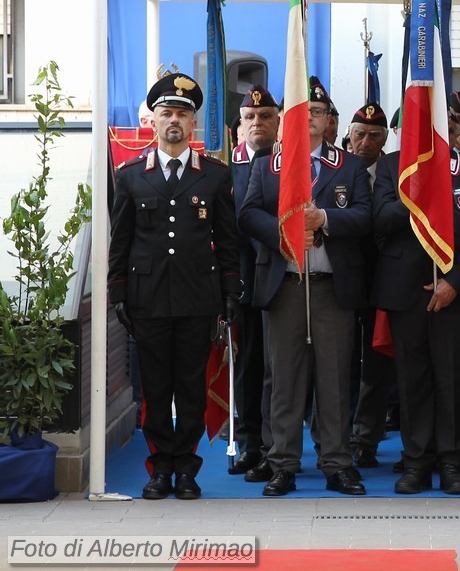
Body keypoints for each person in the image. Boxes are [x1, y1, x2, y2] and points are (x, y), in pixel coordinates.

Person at [108, 73, 241, 500]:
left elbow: (228, 240)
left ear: (193, 124)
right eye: (167, 113)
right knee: (154, 389)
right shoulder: (130, 175)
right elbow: (120, 241)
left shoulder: (215, 176)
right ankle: (158, 467)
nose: (174, 121)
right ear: (153, 120)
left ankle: (186, 468)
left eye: (183, 114)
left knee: (189, 387)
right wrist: (117, 293)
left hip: (197, 298)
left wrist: (230, 292)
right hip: (147, 300)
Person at [239, 76, 373, 497]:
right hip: (286, 285)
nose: (310, 118)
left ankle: (336, 462)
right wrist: (284, 231)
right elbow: (247, 214)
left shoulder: (347, 166)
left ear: (329, 121)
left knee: (334, 377)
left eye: (317, 112)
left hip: (332, 286)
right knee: (285, 378)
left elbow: (366, 216)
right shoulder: (267, 164)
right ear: (287, 119)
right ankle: (283, 463)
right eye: (303, 112)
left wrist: (325, 220)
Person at [373, 116, 460, 495]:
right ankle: (416, 462)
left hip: (454, 294)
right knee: (413, 382)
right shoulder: (392, 167)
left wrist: (454, 283)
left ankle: (452, 463)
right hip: (406, 291)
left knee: (452, 380)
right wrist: (417, 197)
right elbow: (381, 218)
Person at [227, 85, 281, 480]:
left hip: (280, 276)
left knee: (277, 369)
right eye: (250, 117)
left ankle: (277, 445)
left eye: (265, 116)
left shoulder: (288, 164)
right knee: (248, 366)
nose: (257, 123)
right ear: (240, 126)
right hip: (244, 281)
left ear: (278, 121)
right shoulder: (226, 167)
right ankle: (250, 443)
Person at [345, 102, 394, 470]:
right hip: (345, 283)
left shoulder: (393, 172)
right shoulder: (339, 170)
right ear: (349, 135)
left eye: (373, 136)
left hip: (384, 283)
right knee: (342, 364)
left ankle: (367, 439)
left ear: (385, 140)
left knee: (376, 365)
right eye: (359, 134)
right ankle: (339, 435)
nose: (365, 143)